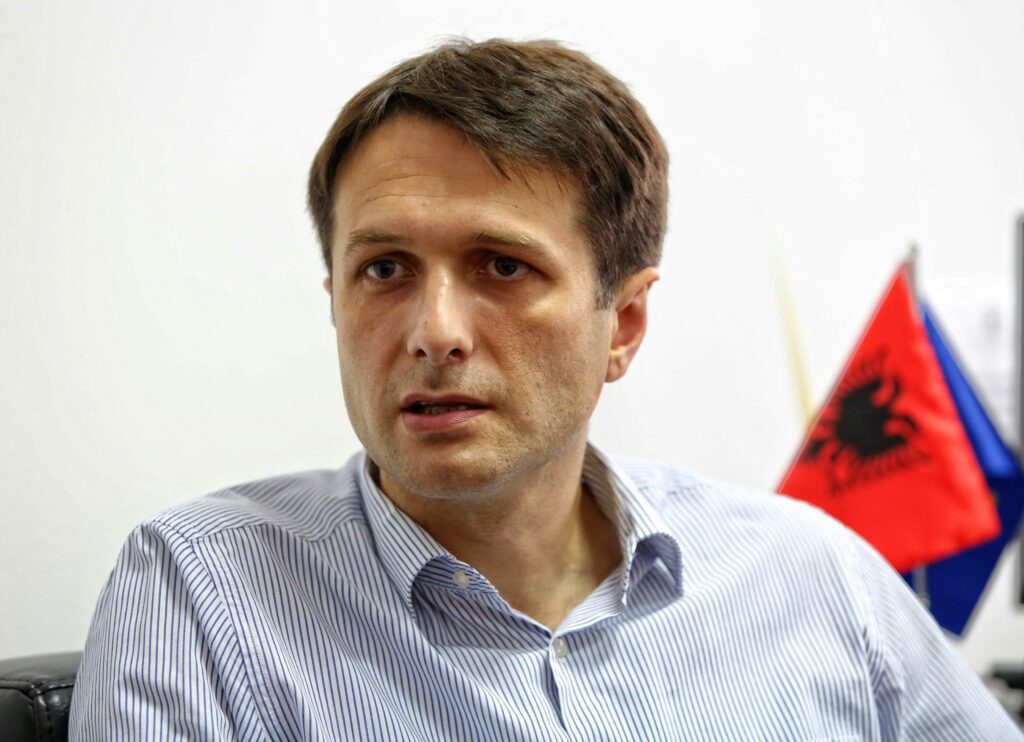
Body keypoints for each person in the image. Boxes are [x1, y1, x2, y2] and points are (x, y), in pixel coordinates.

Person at [70, 38, 1021, 740]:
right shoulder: (202, 592)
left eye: (503, 266)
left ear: (625, 325)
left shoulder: (815, 577)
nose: (434, 332)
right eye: (384, 269)